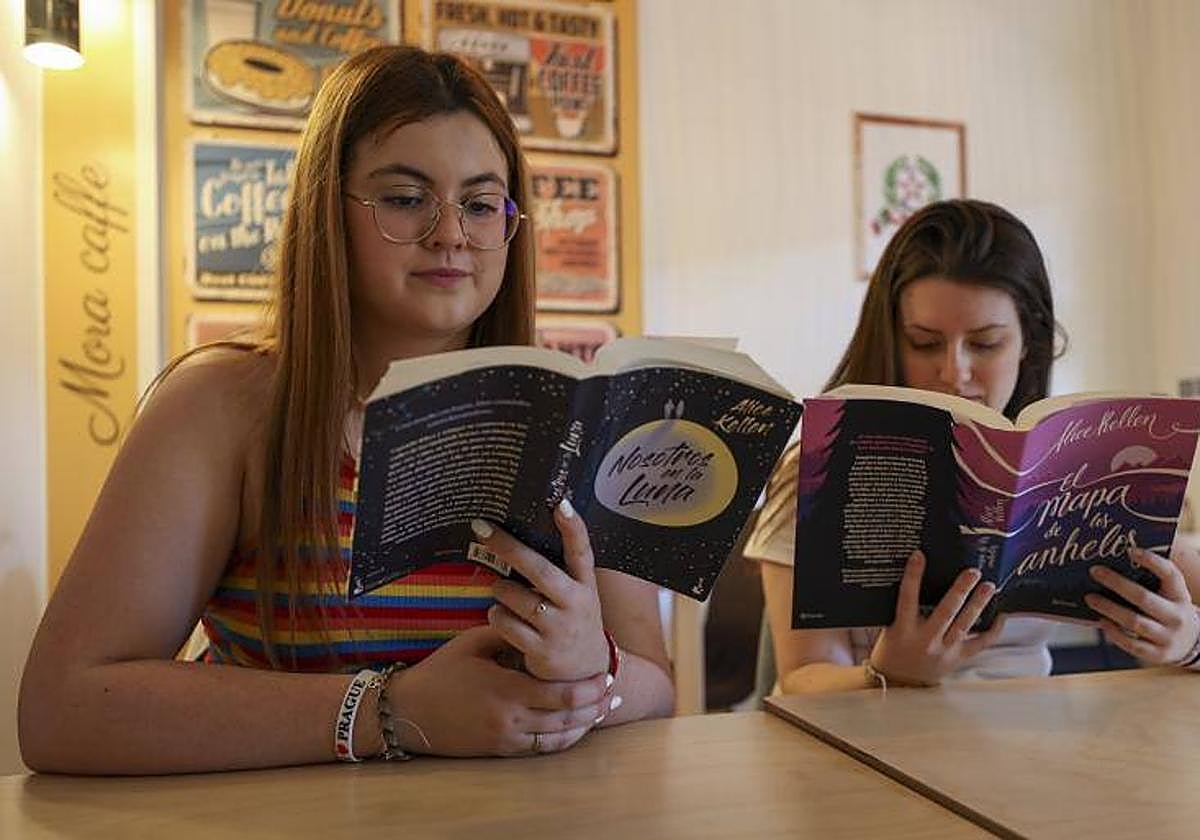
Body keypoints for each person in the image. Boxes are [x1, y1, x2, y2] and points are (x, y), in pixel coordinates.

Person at [19, 46, 674, 774]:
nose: (451, 233)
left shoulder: (577, 424)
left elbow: (657, 685)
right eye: (404, 198)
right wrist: (391, 710)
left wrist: (596, 671)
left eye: (482, 205)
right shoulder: (223, 408)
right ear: (327, 211)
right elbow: (63, 709)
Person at [746, 199, 1200, 693]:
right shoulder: (818, 468)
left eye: (985, 344)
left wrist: (1188, 640)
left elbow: (1180, 592)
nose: (954, 372)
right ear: (891, 338)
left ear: (1029, 340)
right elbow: (801, 679)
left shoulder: (1067, 466)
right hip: (871, 744)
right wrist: (885, 674)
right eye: (923, 342)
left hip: (1026, 743)